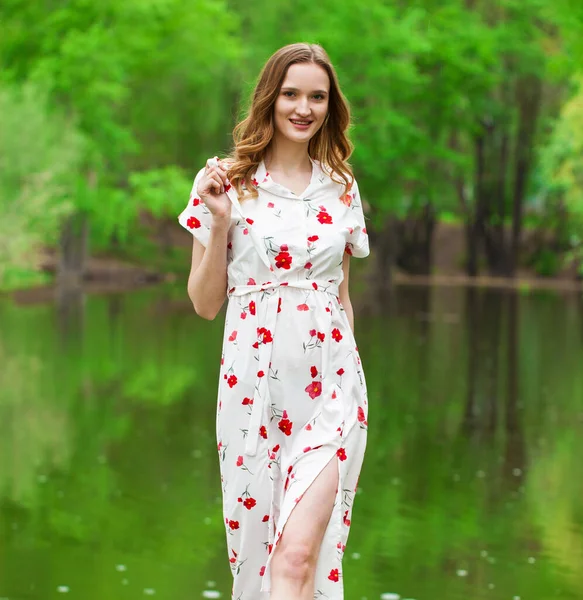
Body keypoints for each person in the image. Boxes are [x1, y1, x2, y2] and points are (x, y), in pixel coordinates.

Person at [178, 42, 370, 600]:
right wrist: (218, 223)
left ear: (330, 105)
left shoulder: (342, 186)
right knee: (260, 560)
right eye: (291, 94)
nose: (303, 108)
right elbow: (205, 303)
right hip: (253, 393)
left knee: (299, 557)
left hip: (332, 393)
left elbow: (342, 297)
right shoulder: (223, 182)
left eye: (317, 96)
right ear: (270, 98)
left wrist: (351, 375)